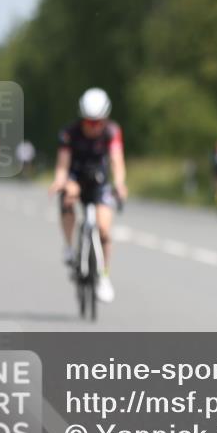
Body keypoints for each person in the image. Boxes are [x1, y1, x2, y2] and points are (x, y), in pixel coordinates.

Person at [48, 88, 128, 303]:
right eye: (88, 122)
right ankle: (68, 246)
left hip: (100, 181)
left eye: (97, 122)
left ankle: (104, 275)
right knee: (67, 199)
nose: (93, 127)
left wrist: (120, 183)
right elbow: (63, 165)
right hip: (76, 178)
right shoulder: (69, 133)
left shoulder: (111, 132)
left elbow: (117, 161)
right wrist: (60, 182)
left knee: (103, 229)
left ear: (106, 118)